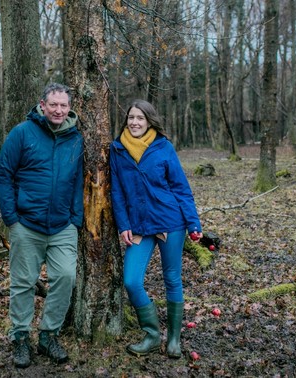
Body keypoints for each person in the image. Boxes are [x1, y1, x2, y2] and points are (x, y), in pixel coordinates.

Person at [0, 83, 84, 368]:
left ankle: (48, 336)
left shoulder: (76, 138)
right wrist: (12, 220)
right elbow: (3, 176)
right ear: (42, 105)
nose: (58, 110)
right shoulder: (22, 133)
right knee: (22, 283)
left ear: (69, 108)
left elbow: (78, 182)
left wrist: (75, 219)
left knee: (66, 277)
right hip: (26, 225)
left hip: (62, 226)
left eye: (63, 105)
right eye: (53, 104)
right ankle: (20, 337)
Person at [110, 99, 202, 359]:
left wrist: (193, 223)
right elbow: (116, 191)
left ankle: (173, 339)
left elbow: (180, 187)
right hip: (138, 225)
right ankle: (151, 335)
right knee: (131, 280)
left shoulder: (163, 147)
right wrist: (123, 224)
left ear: (149, 121)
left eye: (140, 118)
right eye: (131, 118)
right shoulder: (117, 150)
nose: (135, 122)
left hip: (170, 221)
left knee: (172, 278)